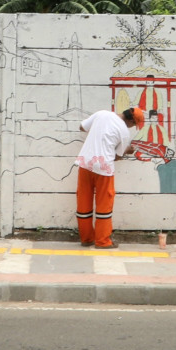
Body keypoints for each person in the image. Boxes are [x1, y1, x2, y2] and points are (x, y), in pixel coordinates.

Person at [75, 105, 142, 249]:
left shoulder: (101, 113)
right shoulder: (124, 132)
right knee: (104, 204)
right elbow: (117, 157)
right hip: (104, 168)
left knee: (83, 201)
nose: (131, 128)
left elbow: (82, 127)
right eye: (134, 125)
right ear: (131, 121)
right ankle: (102, 241)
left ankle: (86, 239)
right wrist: (127, 151)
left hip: (85, 163)